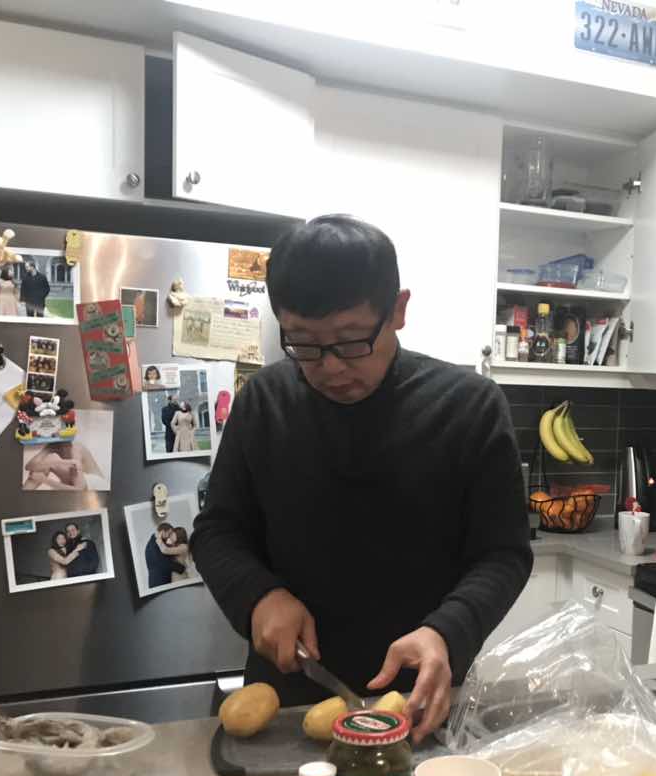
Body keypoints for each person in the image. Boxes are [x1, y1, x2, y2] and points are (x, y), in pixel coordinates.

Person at [192, 215, 531, 743]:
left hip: (421, 702)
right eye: (303, 343)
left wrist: (449, 631)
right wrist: (259, 597)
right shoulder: (264, 402)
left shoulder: (468, 408)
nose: (329, 367)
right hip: (287, 706)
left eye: (350, 341)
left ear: (397, 311)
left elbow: (503, 553)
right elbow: (218, 531)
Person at [23, 442, 103, 491]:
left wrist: (45, 480)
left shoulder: (75, 449)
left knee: (48, 462)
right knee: (43, 465)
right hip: (72, 487)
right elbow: (29, 467)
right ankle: (24, 494)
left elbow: (79, 489)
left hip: (93, 486)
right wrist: (47, 451)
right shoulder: (53, 446)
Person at [145, 523, 187, 588]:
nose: (169, 536)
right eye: (169, 534)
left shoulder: (160, 543)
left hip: (168, 581)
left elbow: (167, 553)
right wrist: (181, 568)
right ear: (163, 532)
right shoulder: (153, 545)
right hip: (159, 582)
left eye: (172, 534)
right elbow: (163, 563)